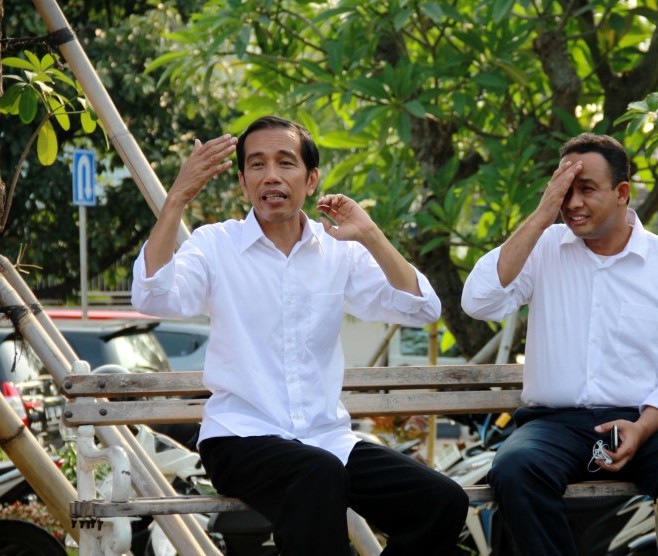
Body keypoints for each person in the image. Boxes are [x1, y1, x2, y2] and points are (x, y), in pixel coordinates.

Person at [132, 115, 468, 555]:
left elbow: (423, 308)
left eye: (285, 162)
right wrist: (178, 197)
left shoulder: (339, 251)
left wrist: (370, 234)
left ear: (311, 180)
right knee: (317, 475)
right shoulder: (216, 245)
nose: (271, 175)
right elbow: (152, 295)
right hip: (239, 437)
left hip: (327, 439)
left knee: (442, 501)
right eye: (257, 164)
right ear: (243, 181)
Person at [461, 133, 658, 556]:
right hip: (555, 426)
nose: (572, 203)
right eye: (564, 191)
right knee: (515, 469)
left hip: (643, 424)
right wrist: (540, 215)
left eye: (586, 189)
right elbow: (479, 301)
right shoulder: (544, 247)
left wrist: (642, 428)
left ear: (622, 192)